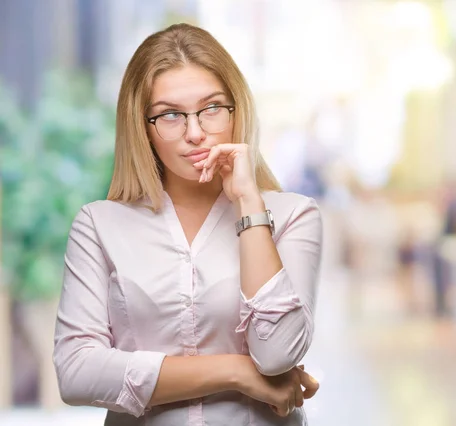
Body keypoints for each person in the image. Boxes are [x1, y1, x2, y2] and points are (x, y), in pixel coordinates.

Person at [53, 23, 322, 426]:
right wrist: (238, 373)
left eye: (212, 107)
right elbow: (76, 372)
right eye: (170, 115)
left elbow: (278, 353)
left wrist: (248, 203)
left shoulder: (293, 216)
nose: (195, 133)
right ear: (142, 127)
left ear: (236, 110)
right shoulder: (99, 224)